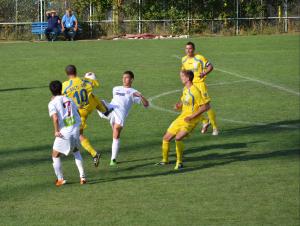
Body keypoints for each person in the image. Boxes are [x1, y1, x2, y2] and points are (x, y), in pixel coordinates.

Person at [157, 70, 210, 170]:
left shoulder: (195, 91)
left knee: (178, 138)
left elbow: (205, 107)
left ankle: (179, 162)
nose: (181, 78)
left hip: (191, 120)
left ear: (188, 78)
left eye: (182, 76)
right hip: (182, 117)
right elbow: (184, 101)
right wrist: (179, 105)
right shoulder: (185, 89)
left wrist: (191, 117)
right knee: (166, 138)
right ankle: (165, 160)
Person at [62, 65, 110, 167]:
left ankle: (93, 153)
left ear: (67, 74)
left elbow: (60, 97)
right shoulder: (85, 81)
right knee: (78, 134)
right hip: (85, 111)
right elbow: (95, 82)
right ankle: (82, 150)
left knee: (71, 132)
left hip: (75, 114)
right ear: (76, 71)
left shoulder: (65, 85)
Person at [98, 71, 149, 166]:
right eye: (123, 77)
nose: (124, 79)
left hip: (120, 115)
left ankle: (113, 159)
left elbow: (146, 105)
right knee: (99, 102)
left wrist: (141, 96)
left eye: (127, 77)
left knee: (116, 133)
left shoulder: (133, 92)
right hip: (111, 109)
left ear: (132, 79)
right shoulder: (115, 88)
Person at [48, 80, 86, 186]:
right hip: (75, 129)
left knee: (55, 154)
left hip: (65, 132)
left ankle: (60, 179)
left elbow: (55, 118)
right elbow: (77, 112)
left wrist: (56, 131)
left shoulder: (52, 103)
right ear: (61, 89)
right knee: (76, 151)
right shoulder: (69, 99)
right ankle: (82, 177)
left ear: (51, 91)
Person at [181, 42, 219, 136]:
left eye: (190, 48)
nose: (188, 50)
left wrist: (204, 73)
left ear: (193, 49)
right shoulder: (184, 59)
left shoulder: (199, 58)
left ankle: (215, 128)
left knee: (206, 106)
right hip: (190, 86)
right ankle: (205, 121)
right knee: (191, 107)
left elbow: (210, 66)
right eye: (186, 48)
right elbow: (183, 71)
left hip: (200, 84)